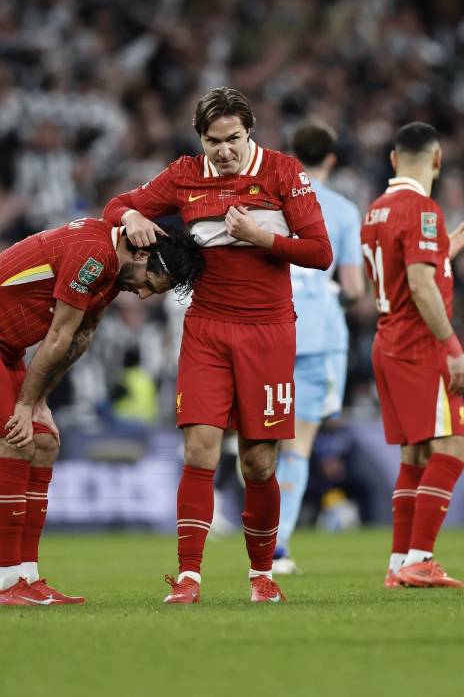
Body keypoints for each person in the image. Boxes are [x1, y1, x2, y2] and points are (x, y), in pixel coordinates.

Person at [102, 87, 333, 605]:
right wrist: (132, 218)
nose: (224, 151)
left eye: (233, 139)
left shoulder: (282, 172)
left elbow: (320, 252)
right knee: (199, 450)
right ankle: (188, 576)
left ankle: (261, 574)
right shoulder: (184, 174)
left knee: (258, 464)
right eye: (213, 141)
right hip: (206, 328)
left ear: (249, 132)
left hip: (269, 332)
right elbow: (117, 204)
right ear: (200, 139)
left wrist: (260, 236)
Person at [0, 217, 204, 605]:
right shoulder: (94, 256)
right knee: (17, 441)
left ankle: (29, 577)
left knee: (44, 443)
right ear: (141, 254)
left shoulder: (110, 273)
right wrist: (24, 405)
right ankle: (8, 585)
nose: (141, 295)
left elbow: (81, 338)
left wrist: (39, 401)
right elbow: (58, 336)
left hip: (2, 345)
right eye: (146, 283)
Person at [362, 122, 464, 589]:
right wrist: (453, 348)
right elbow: (419, 284)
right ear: (438, 160)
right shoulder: (423, 210)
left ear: (392, 160)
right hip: (419, 348)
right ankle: (420, 558)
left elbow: (397, 270)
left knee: (415, 454)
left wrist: (443, 250)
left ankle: (398, 564)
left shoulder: (376, 211)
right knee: (454, 447)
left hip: (387, 343)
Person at [271, 122, 366, 575]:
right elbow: (352, 286)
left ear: (290, 153)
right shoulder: (344, 210)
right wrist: (341, 295)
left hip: (269, 331)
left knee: (263, 441)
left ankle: (259, 540)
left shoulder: (270, 198)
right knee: (299, 447)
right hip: (317, 338)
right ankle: (279, 547)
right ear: (331, 160)